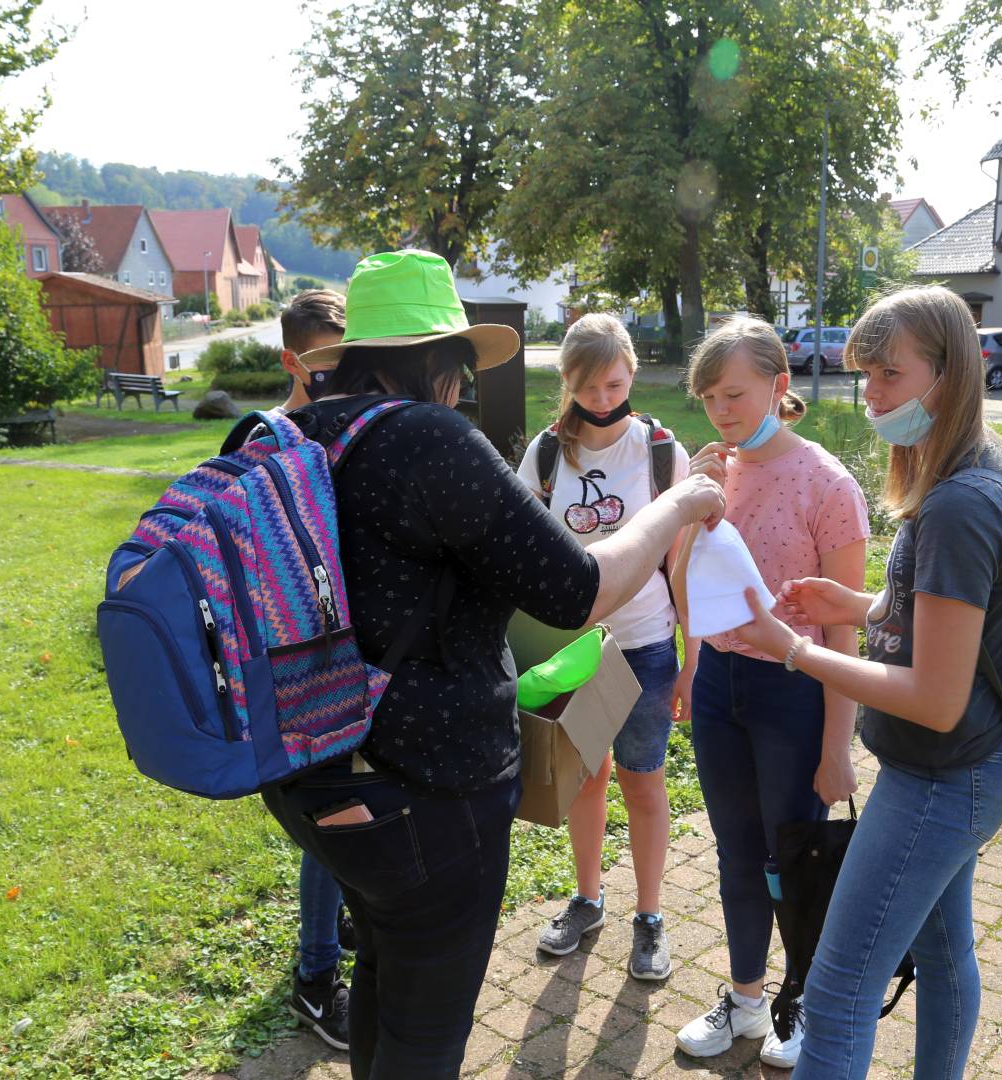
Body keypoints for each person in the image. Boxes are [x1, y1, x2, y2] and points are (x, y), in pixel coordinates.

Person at [261, 250, 726, 1079]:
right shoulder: (432, 441)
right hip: (428, 795)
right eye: (462, 368)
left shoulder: (294, 435)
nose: (464, 387)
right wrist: (679, 504)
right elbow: (578, 590)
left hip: (314, 768)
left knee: (382, 967)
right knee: (429, 1030)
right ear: (441, 363)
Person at [729, 285, 1002, 1080]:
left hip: (939, 775)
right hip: (970, 766)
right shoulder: (984, 462)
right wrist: (863, 604)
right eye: (864, 375)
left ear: (951, 371)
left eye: (889, 375)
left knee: (836, 995)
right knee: (942, 959)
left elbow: (935, 695)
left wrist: (794, 648)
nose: (871, 397)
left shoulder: (960, 504)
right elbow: (962, 617)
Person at [670, 317, 870, 1069]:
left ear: (779, 387)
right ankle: (748, 999)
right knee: (737, 852)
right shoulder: (711, 471)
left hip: (797, 689)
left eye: (733, 394)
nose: (720, 412)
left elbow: (845, 630)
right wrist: (692, 501)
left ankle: (809, 1003)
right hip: (721, 684)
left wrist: (836, 748)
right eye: (708, 398)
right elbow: (689, 581)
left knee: (797, 857)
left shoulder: (828, 485)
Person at [515, 314, 692, 981]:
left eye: (613, 382)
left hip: (646, 646)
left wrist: (693, 659)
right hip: (573, 650)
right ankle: (588, 900)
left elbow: (685, 566)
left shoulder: (661, 452)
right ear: (567, 381)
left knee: (643, 784)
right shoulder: (545, 453)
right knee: (584, 781)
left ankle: (649, 916)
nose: (600, 397)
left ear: (631, 373)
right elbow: (524, 554)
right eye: (586, 386)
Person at [271, 288, 356, 1048]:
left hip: (355, 655)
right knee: (331, 826)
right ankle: (315, 974)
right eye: (327, 358)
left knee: (353, 816)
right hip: (306, 668)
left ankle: (340, 930)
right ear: (296, 360)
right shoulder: (276, 442)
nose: (342, 370)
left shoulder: (346, 427)